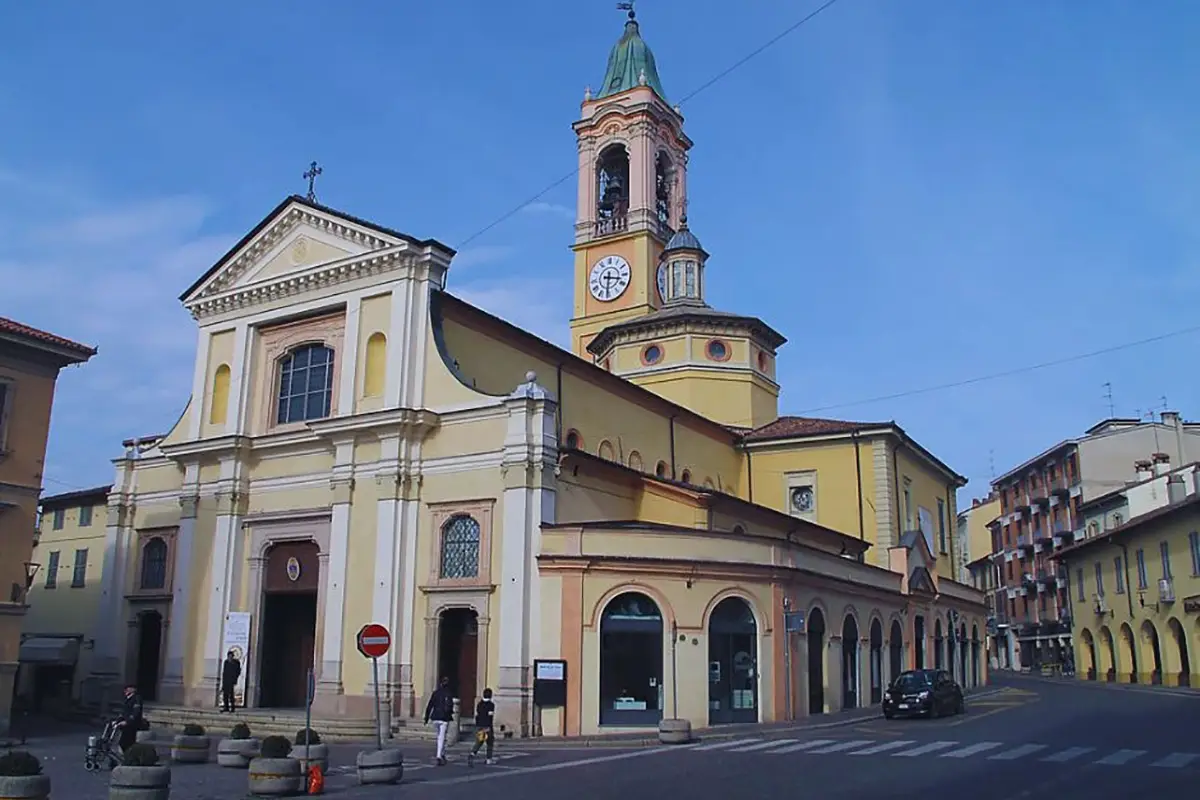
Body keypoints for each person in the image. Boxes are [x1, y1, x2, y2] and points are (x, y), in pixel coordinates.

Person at [423, 676, 455, 766]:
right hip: (444, 718)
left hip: (435, 717)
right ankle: (439, 756)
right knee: (442, 737)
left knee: (439, 736)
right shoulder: (448, 693)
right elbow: (450, 706)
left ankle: (442, 754)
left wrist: (426, 717)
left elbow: (430, 705)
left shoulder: (435, 693)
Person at [466, 687, 496, 767]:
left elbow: (478, 715)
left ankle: (472, 753)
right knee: (490, 743)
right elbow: (490, 716)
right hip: (487, 726)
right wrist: (490, 727)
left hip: (480, 725)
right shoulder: (491, 705)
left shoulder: (479, 704)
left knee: (479, 742)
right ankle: (489, 759)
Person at [117, 685, 143, 754]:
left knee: (126, 742)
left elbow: (136, 712)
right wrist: (117, 721)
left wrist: (127, 721)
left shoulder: (137, 698)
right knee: (122, 742)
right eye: (125, 689)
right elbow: (123, 712)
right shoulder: (127, 699)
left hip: (132, 724)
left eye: (127, 689)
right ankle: (126, 755)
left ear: (133, 690)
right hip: (125, 724)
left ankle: (129, 756)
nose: (125, 691)